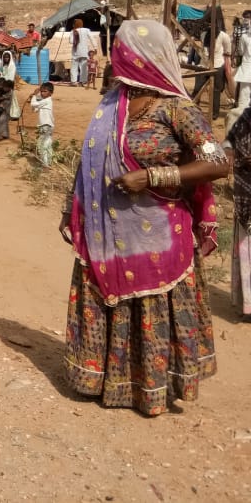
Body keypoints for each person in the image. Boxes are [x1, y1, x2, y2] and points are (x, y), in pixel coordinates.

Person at [59, 20, 229, 416]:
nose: (116, 57)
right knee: (109, 299)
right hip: (106, 233)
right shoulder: (111, 102)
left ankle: (153, 388)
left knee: (153, 306)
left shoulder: (177, 109)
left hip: (159, 238)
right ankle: (106, 381)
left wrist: (154, 176)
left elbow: (217, 162)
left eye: (122, 50)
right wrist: (71, 206)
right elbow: (91, 159)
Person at [224, 107, 251, 320]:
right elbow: (230, 144)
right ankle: (247, 305)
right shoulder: (243, 118)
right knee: (246, 249)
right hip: (245, 194)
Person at [191, 8, 230, 120]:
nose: (209, 26)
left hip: (217, 65)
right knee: (197, 88)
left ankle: (215, 113)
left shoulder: (223, 36)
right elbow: (203, 49)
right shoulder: (203, 34)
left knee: (216, 90)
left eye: (211, 24)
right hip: (203, 65)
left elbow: (228, 52)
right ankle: (193, 110)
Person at [28, 82, 54, 167]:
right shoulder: (44, 101)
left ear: (51, 93)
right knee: (47, 144)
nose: (42, 93)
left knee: (41, 145)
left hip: (45, 126)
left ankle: (45, 164)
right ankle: (48, 162)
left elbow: (34, 104)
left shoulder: (47, 100)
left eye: (45, 91)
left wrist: (35, 96)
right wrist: (33, 97)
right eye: (41, 91)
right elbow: (34, 109)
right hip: (47, 126)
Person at [234, 10, 251, 109]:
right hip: (246, 67)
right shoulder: (243, 35)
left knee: (244, 97)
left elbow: (240, 51)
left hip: (246, 69)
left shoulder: (244, 37)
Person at [70, 18, 93, 85]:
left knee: (74, 67)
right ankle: (83, 81)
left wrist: (76, 39)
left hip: (76, 52)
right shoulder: (87, 30)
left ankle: (74, 82)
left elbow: (70, 41)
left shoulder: (73, 31)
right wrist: (95, 47)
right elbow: (92, 38)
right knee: (84, 67)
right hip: (84, 52)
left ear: (74, 24)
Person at [0, 51, 21, 120]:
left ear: (10, 57)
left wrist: (7, 84)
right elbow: (1, 74)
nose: (6, 58)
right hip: (3, 85)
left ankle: (13, 114)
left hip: (9, 85)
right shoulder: (2, 66)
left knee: (10, 100)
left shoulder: (12, 66)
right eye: (5, 57)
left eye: (7, 57)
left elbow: (11, 77)